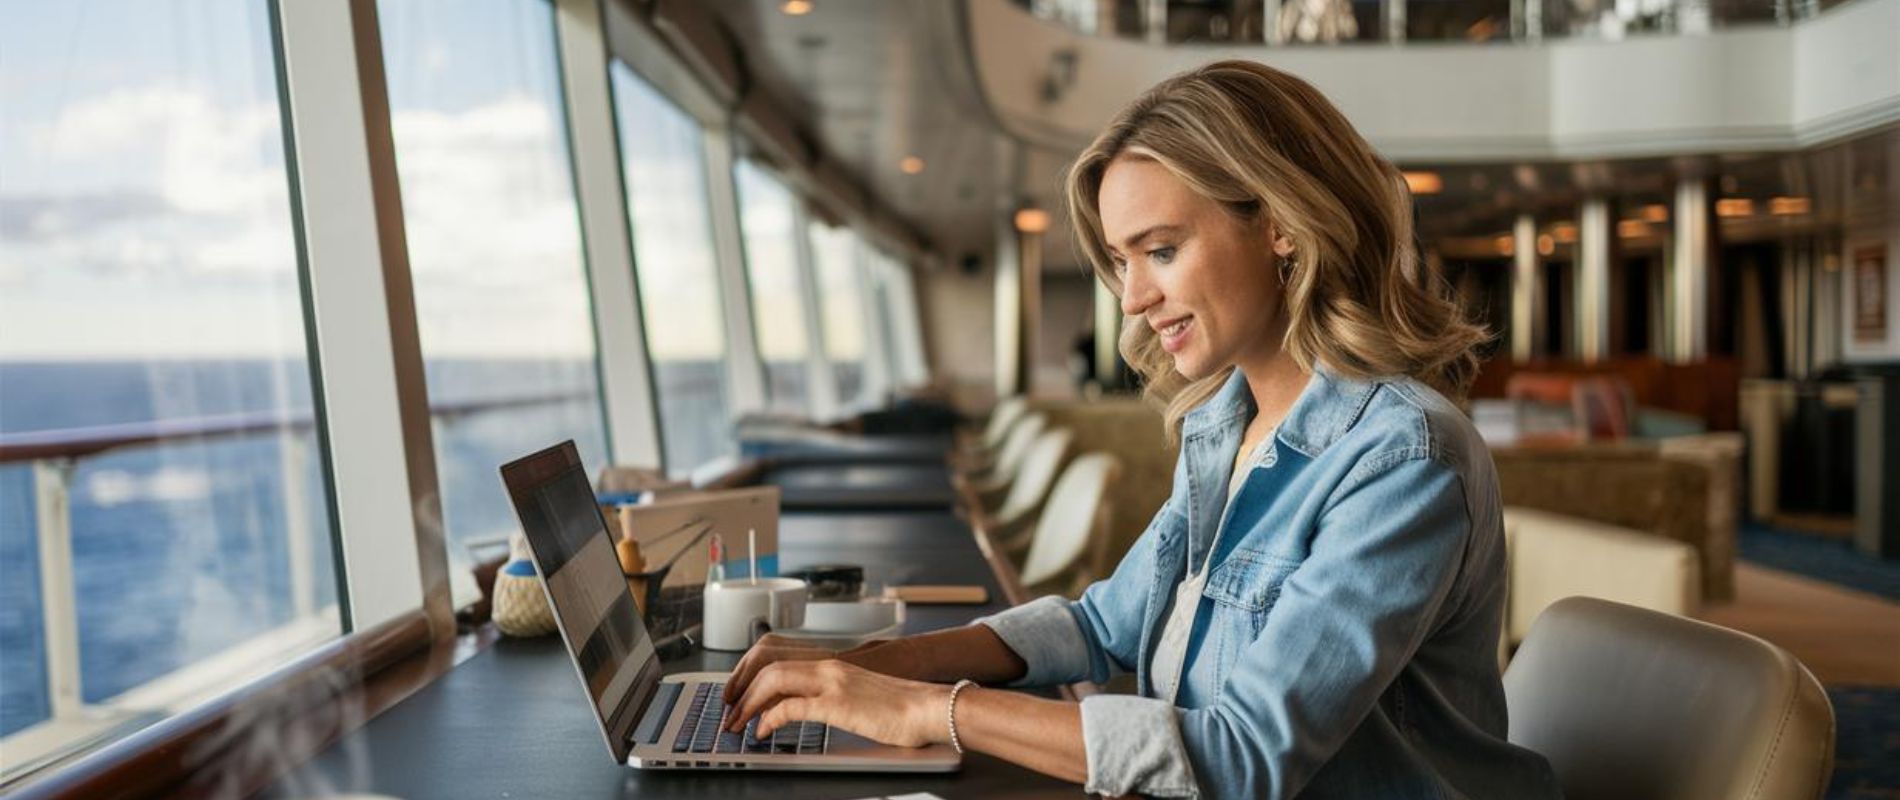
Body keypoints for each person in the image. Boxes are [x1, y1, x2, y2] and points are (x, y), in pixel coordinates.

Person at [720, 60, 1563, 799]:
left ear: (1279, 223)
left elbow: (1242, 757)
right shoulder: (1225, 425)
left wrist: (927, 711)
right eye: (1122, 262)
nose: (1131, 299)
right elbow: (1100, 627)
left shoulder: (1401, 458)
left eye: (1159, 250)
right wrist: (868, 664)